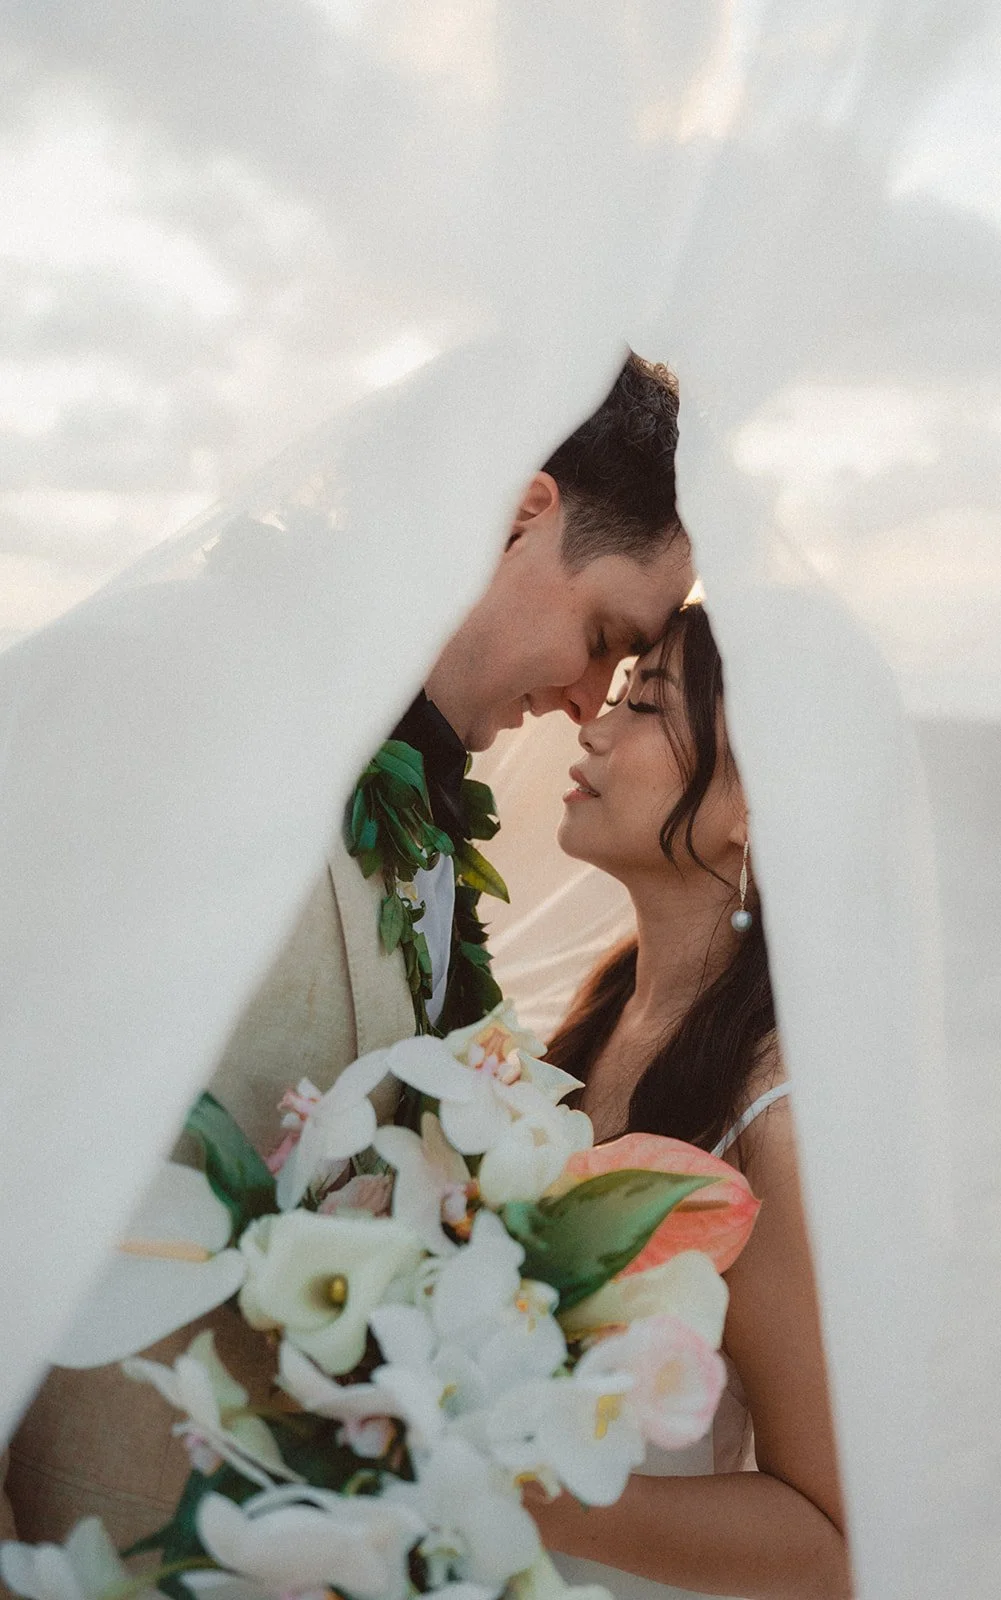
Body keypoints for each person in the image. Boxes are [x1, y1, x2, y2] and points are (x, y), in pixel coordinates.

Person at [1, 354, 694, 1554]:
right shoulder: (151, 686)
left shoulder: (422, 811)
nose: (588, 704)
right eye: (600, 635)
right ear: (520, 515)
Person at [531, 603, 851, 1600]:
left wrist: (518, 1486)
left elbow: (834, 1540)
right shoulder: (591, 1021)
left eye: (646, 704)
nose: (591, 726)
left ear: (757, 798)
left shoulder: (767, 1117)